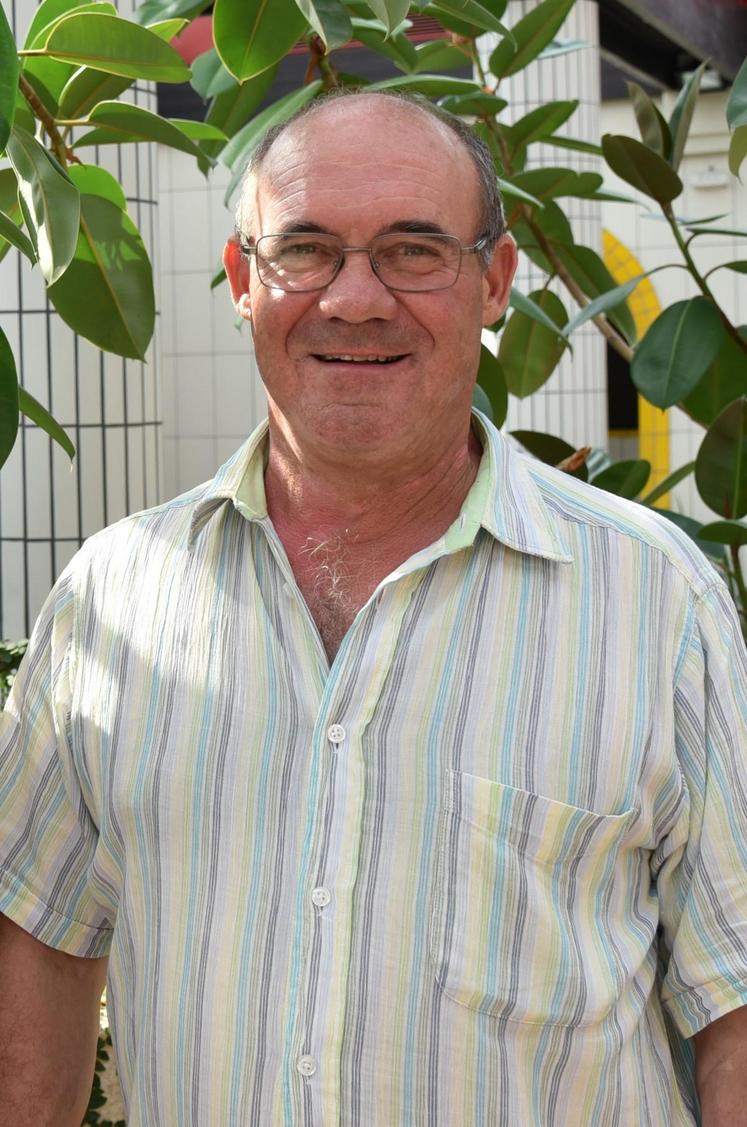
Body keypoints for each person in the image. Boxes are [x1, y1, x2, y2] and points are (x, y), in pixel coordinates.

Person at [1, 89, 747, 1127]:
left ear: (494, 280)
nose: (354, 300)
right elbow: (37, 947)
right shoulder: (111, 599)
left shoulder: (655, 599)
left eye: (413, 250)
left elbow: (733, 1007)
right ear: (242, 280)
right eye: (304, 250)